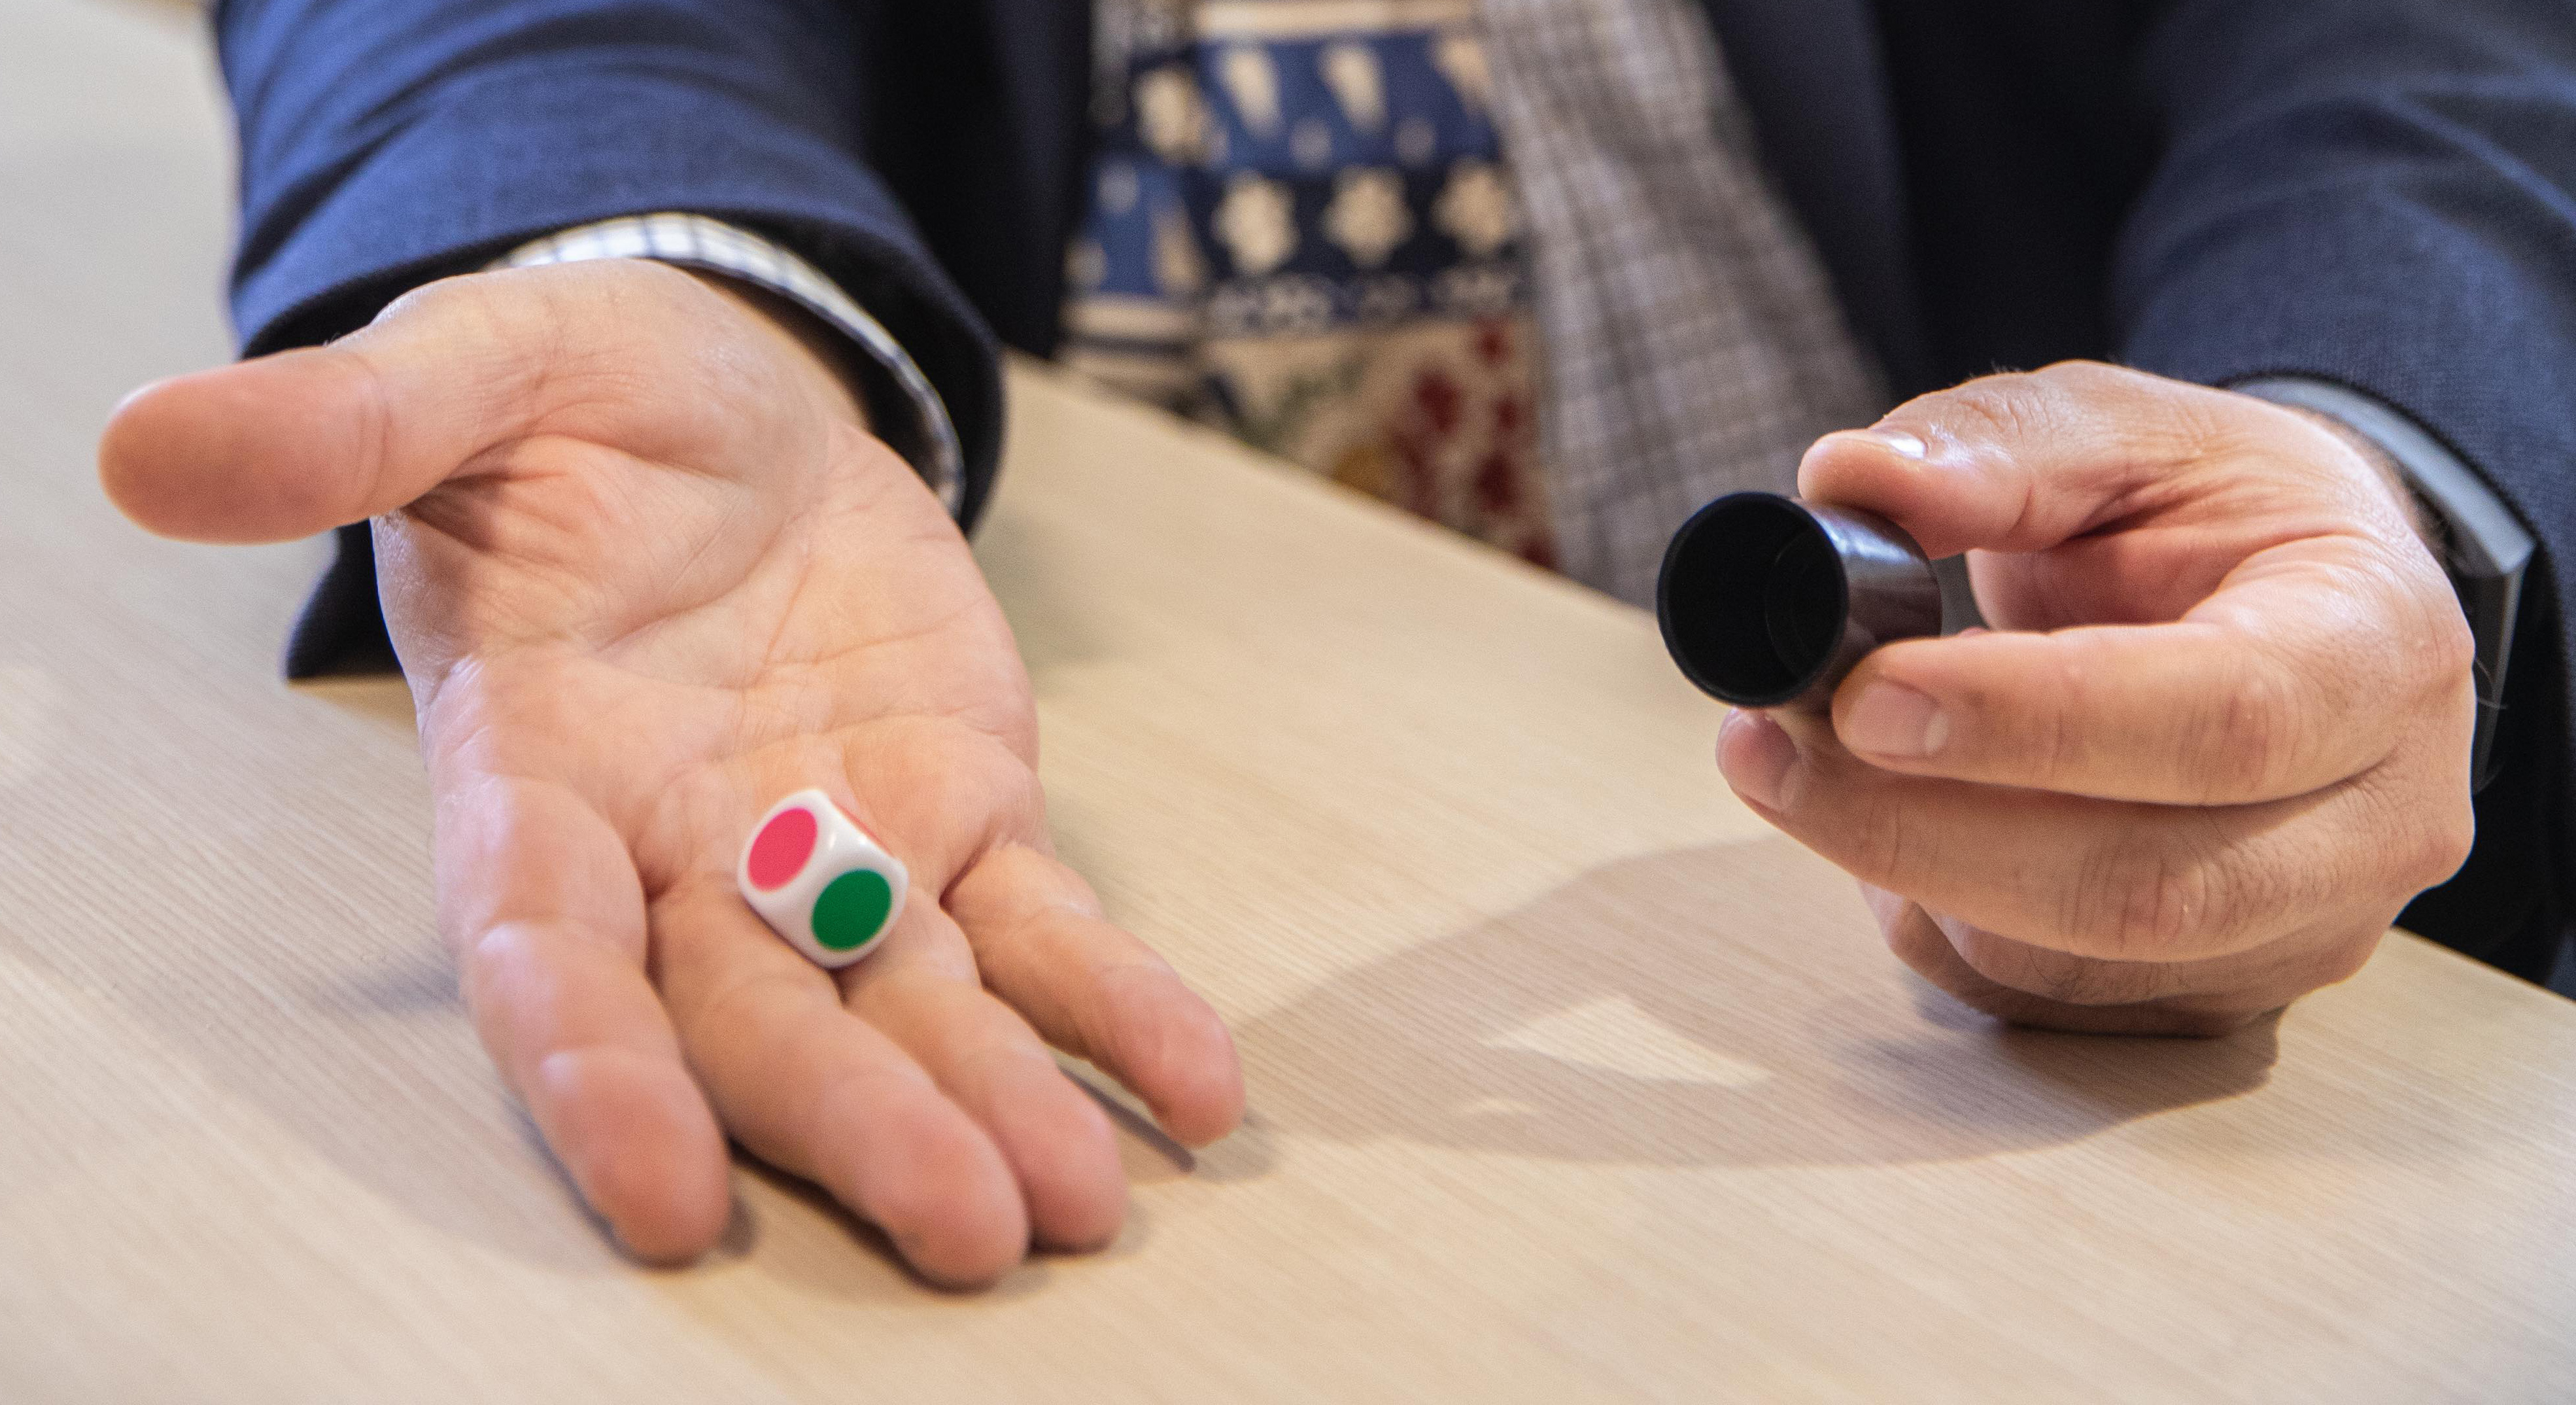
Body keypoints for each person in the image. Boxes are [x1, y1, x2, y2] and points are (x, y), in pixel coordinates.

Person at [94, 0, 2576, 1285]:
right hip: (1196, 770)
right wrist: (650, 267)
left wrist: (2364, 466)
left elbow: (2432, 51)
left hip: (1968, 887)